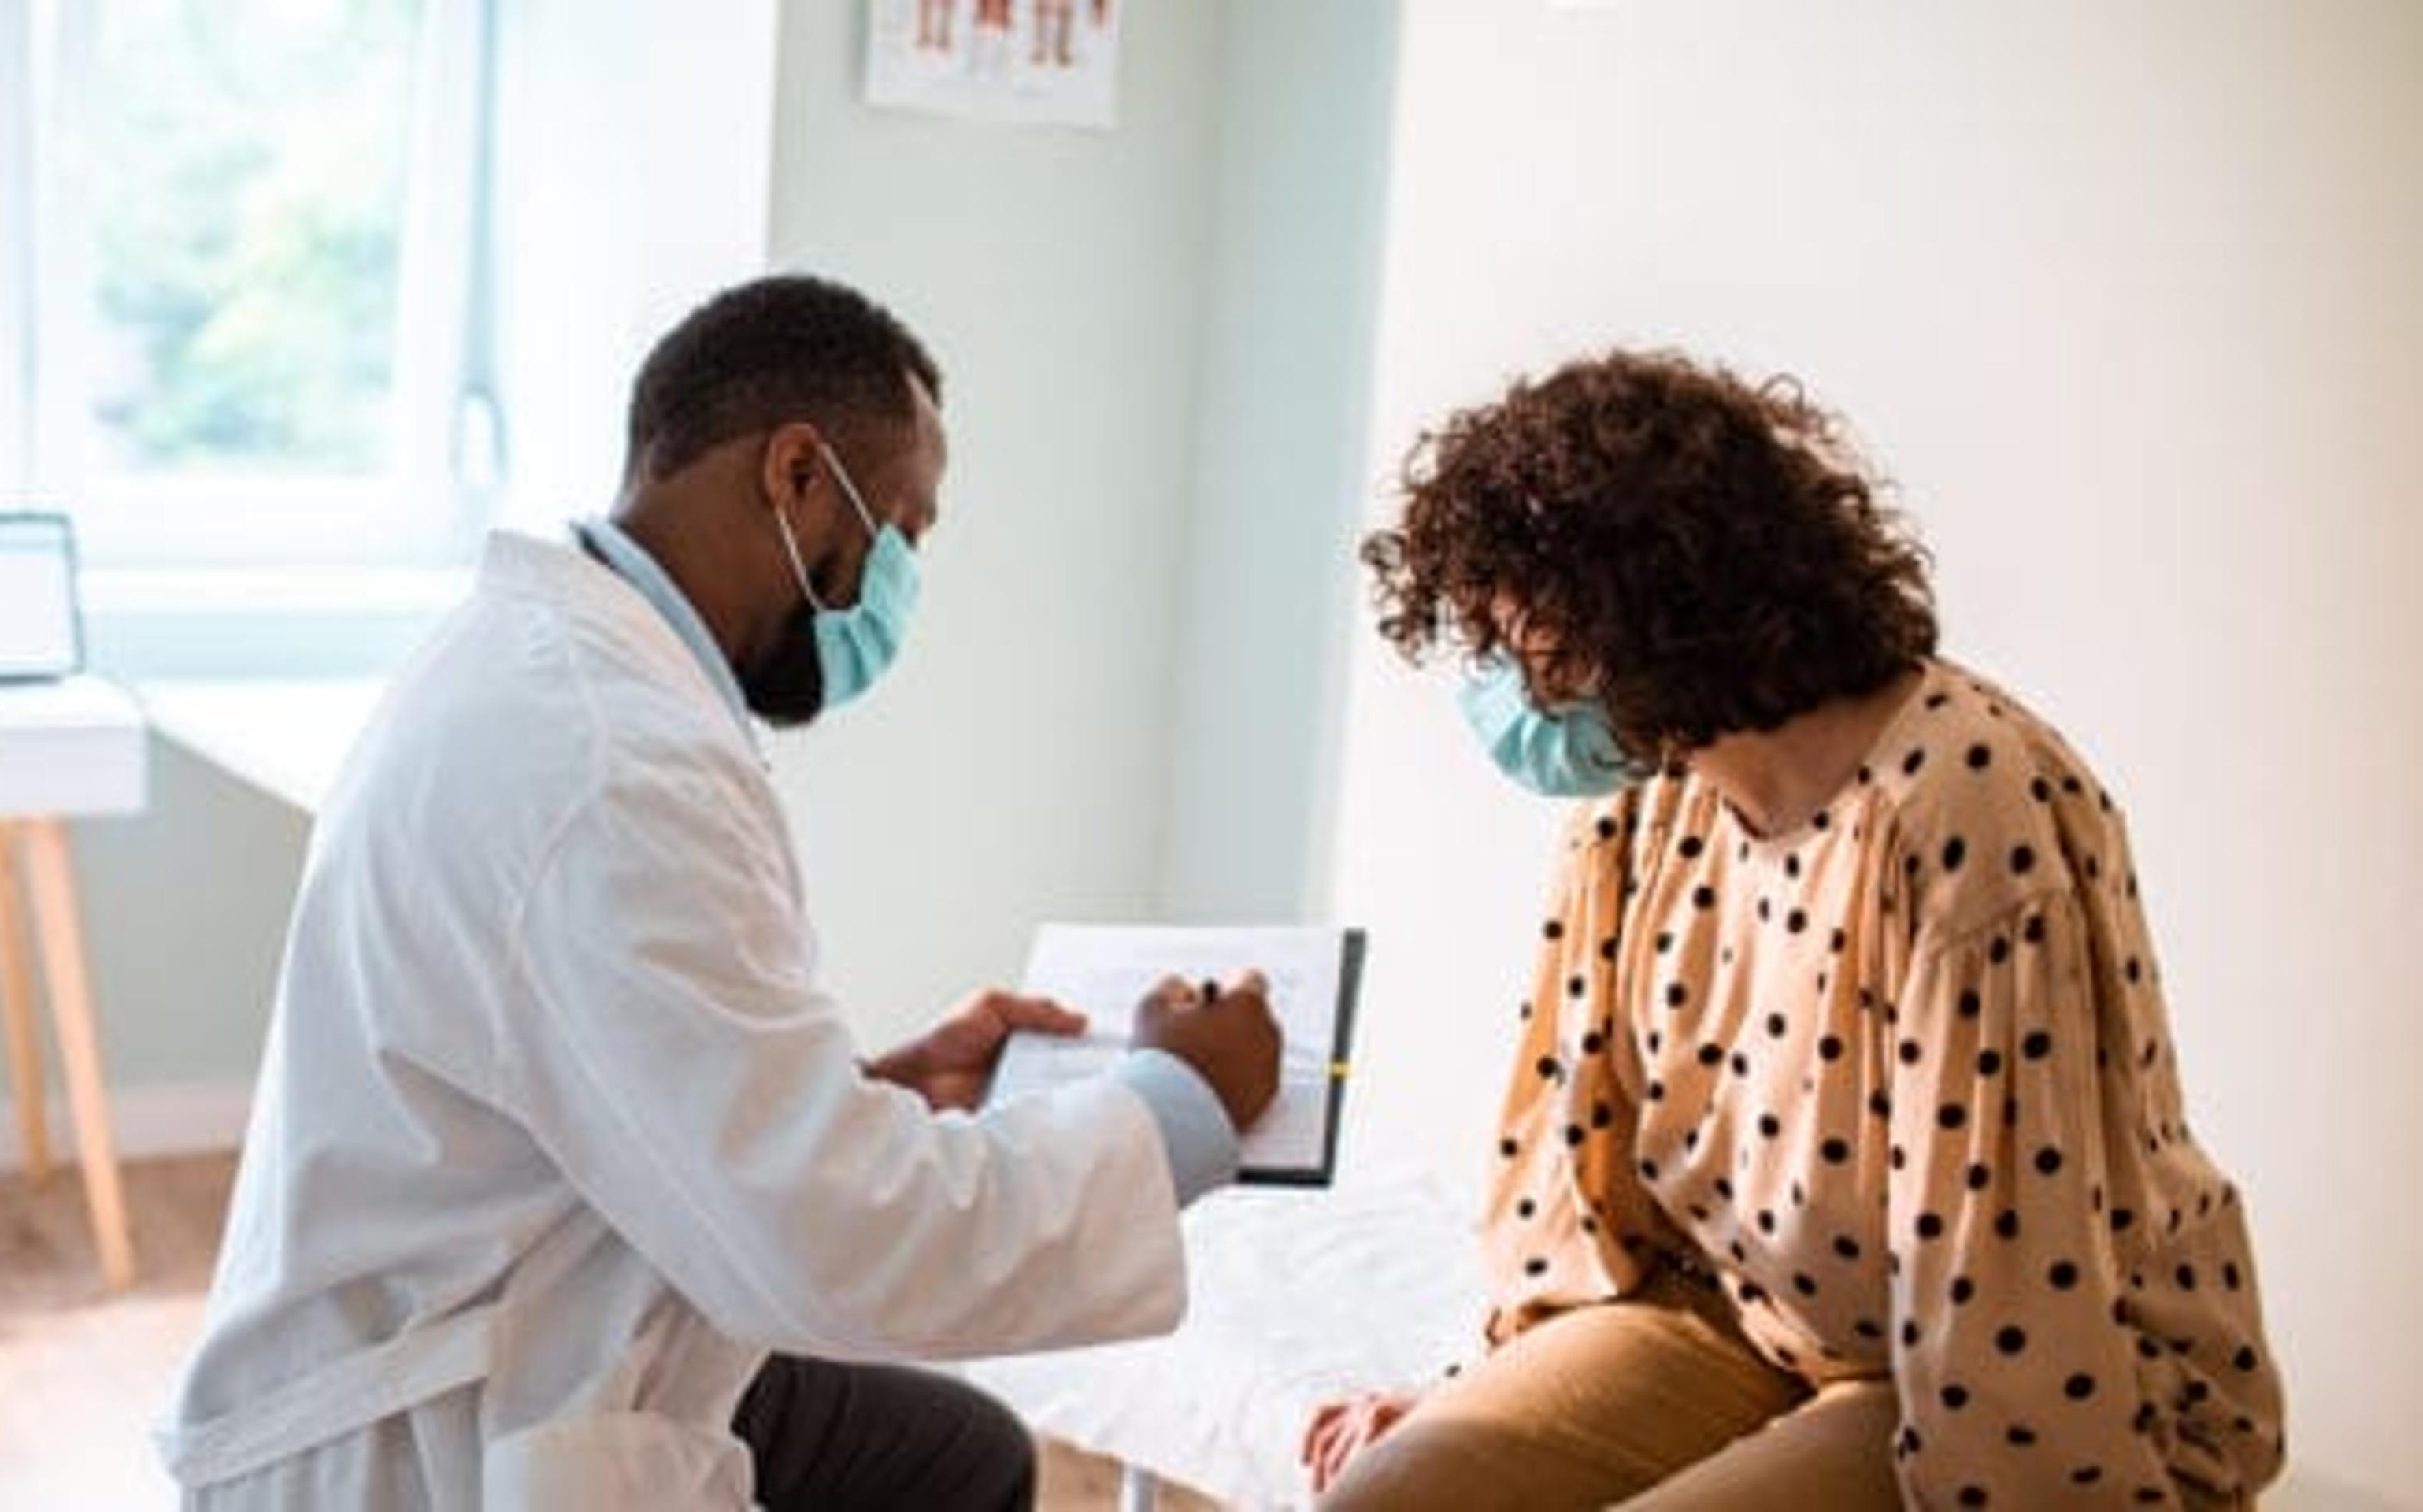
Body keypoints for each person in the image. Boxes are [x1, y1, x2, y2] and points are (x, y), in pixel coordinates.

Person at [157, 273, 1283, 1511]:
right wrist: (1181, 1102)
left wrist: (876, 1093)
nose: (901, 584)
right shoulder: (612, 763)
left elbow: (621, 1078)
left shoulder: (559, 675)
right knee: (941, 1453)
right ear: (799, 477)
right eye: (905, 531)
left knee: (957, 1455)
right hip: (444, 1436)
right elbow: (836, 1249)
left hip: (545, 1314)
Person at [1303, 351, 2283, 1508]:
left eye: (1522, 636)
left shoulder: (1960, 806)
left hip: (1965, 1368)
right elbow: (1578, 1164)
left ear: (1643, 609)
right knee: (1391, 1495)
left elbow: (2007, 1264)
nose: (1510, 684)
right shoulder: (1646, 803)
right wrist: (1489, 1386)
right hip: (1735, 1319)